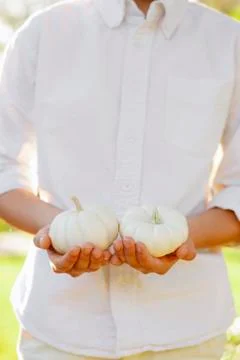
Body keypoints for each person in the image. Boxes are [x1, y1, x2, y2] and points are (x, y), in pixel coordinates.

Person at [0, 0, 240, 359]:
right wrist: (63, 232)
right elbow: (4, 171)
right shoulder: (43, 33)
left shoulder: (229, 42)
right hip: (59, 331)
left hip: (186, 331)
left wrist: (182, 237)